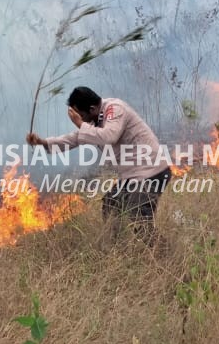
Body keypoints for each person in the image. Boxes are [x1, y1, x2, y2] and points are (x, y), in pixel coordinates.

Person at [27, 86, 171, 243]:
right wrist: (41, 142)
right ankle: (118, 249)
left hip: (151, 172)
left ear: (92, 108)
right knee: (111, 205)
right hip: (133, 176)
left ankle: (164, 257)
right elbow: (72, 139)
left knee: (139, 219)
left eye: (81, 116)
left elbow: (109, 136)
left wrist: (81, 124)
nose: (80, 120)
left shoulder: (115, 109)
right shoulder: (94, 121)